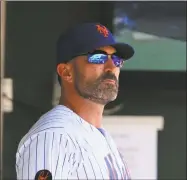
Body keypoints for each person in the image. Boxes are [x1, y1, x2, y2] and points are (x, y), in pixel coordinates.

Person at [15, 22, 134, 180]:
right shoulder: (54, 136)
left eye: (117, 59)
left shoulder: (101, 136)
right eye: (98, 57)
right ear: (66, 72)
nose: (111, 66)